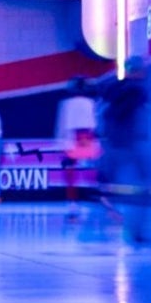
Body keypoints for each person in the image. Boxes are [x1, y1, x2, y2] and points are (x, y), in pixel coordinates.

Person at [98, 58, 151, 244]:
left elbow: (103, 112)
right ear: (137, 71)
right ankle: (137, 231)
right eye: (142, 70)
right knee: (146, 184)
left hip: (112, 144)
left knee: (108, 183)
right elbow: (142, 109)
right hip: (129, 144)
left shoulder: (111, 87)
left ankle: (108, 208)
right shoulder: (137, 90)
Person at [54, 77, 102, 222]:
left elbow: (62, 125)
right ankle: (96, 198)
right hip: (84, 140)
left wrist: (60, 144)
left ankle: (73, 203)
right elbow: (95, 125)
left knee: (71, 174)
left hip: (75, 141)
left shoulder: (68, 104)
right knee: (91, 172)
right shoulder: (89, 103)